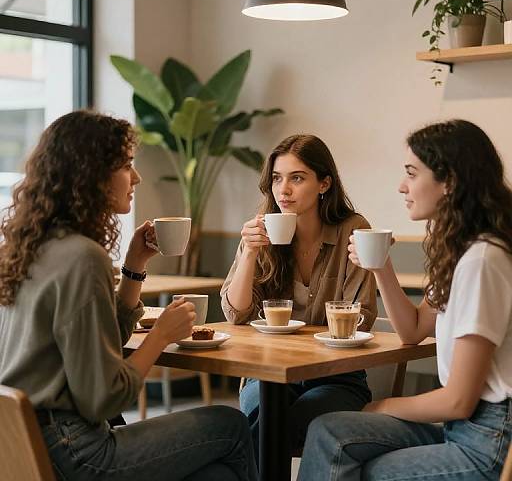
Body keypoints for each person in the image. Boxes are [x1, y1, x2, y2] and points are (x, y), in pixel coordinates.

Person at [0, 110, 257, 481]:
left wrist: (134, 266)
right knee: (229, 424)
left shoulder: (29, 247)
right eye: (126, 165)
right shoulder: (82, 257)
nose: (136, 178)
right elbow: (104, 396)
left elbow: (101, 344)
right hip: (76, 452)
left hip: (25, 443)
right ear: (92, 174)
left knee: (216, 475)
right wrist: (161, 336)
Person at [298, 120, 512, 480]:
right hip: (467, 428)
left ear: (451, 182)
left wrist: (382, 406)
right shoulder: (461, 252)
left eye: (412, 174)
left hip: (488, 443)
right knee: (328, 430)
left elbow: (459, 400)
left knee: (368, 469)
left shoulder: (483, 260)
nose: (402, 186)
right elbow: (413, 330)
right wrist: (380, 267)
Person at [220, 134, 378, 460]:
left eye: (297, 178)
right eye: (277, 179)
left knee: (271, 426)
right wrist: (250, 253)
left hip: (336, 378)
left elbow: (361, 316)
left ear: (324, 184)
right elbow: (236, 315)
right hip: (268, 374)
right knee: (264, 416)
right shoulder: (260, 231)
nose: (284, 190)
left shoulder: (353, 229)